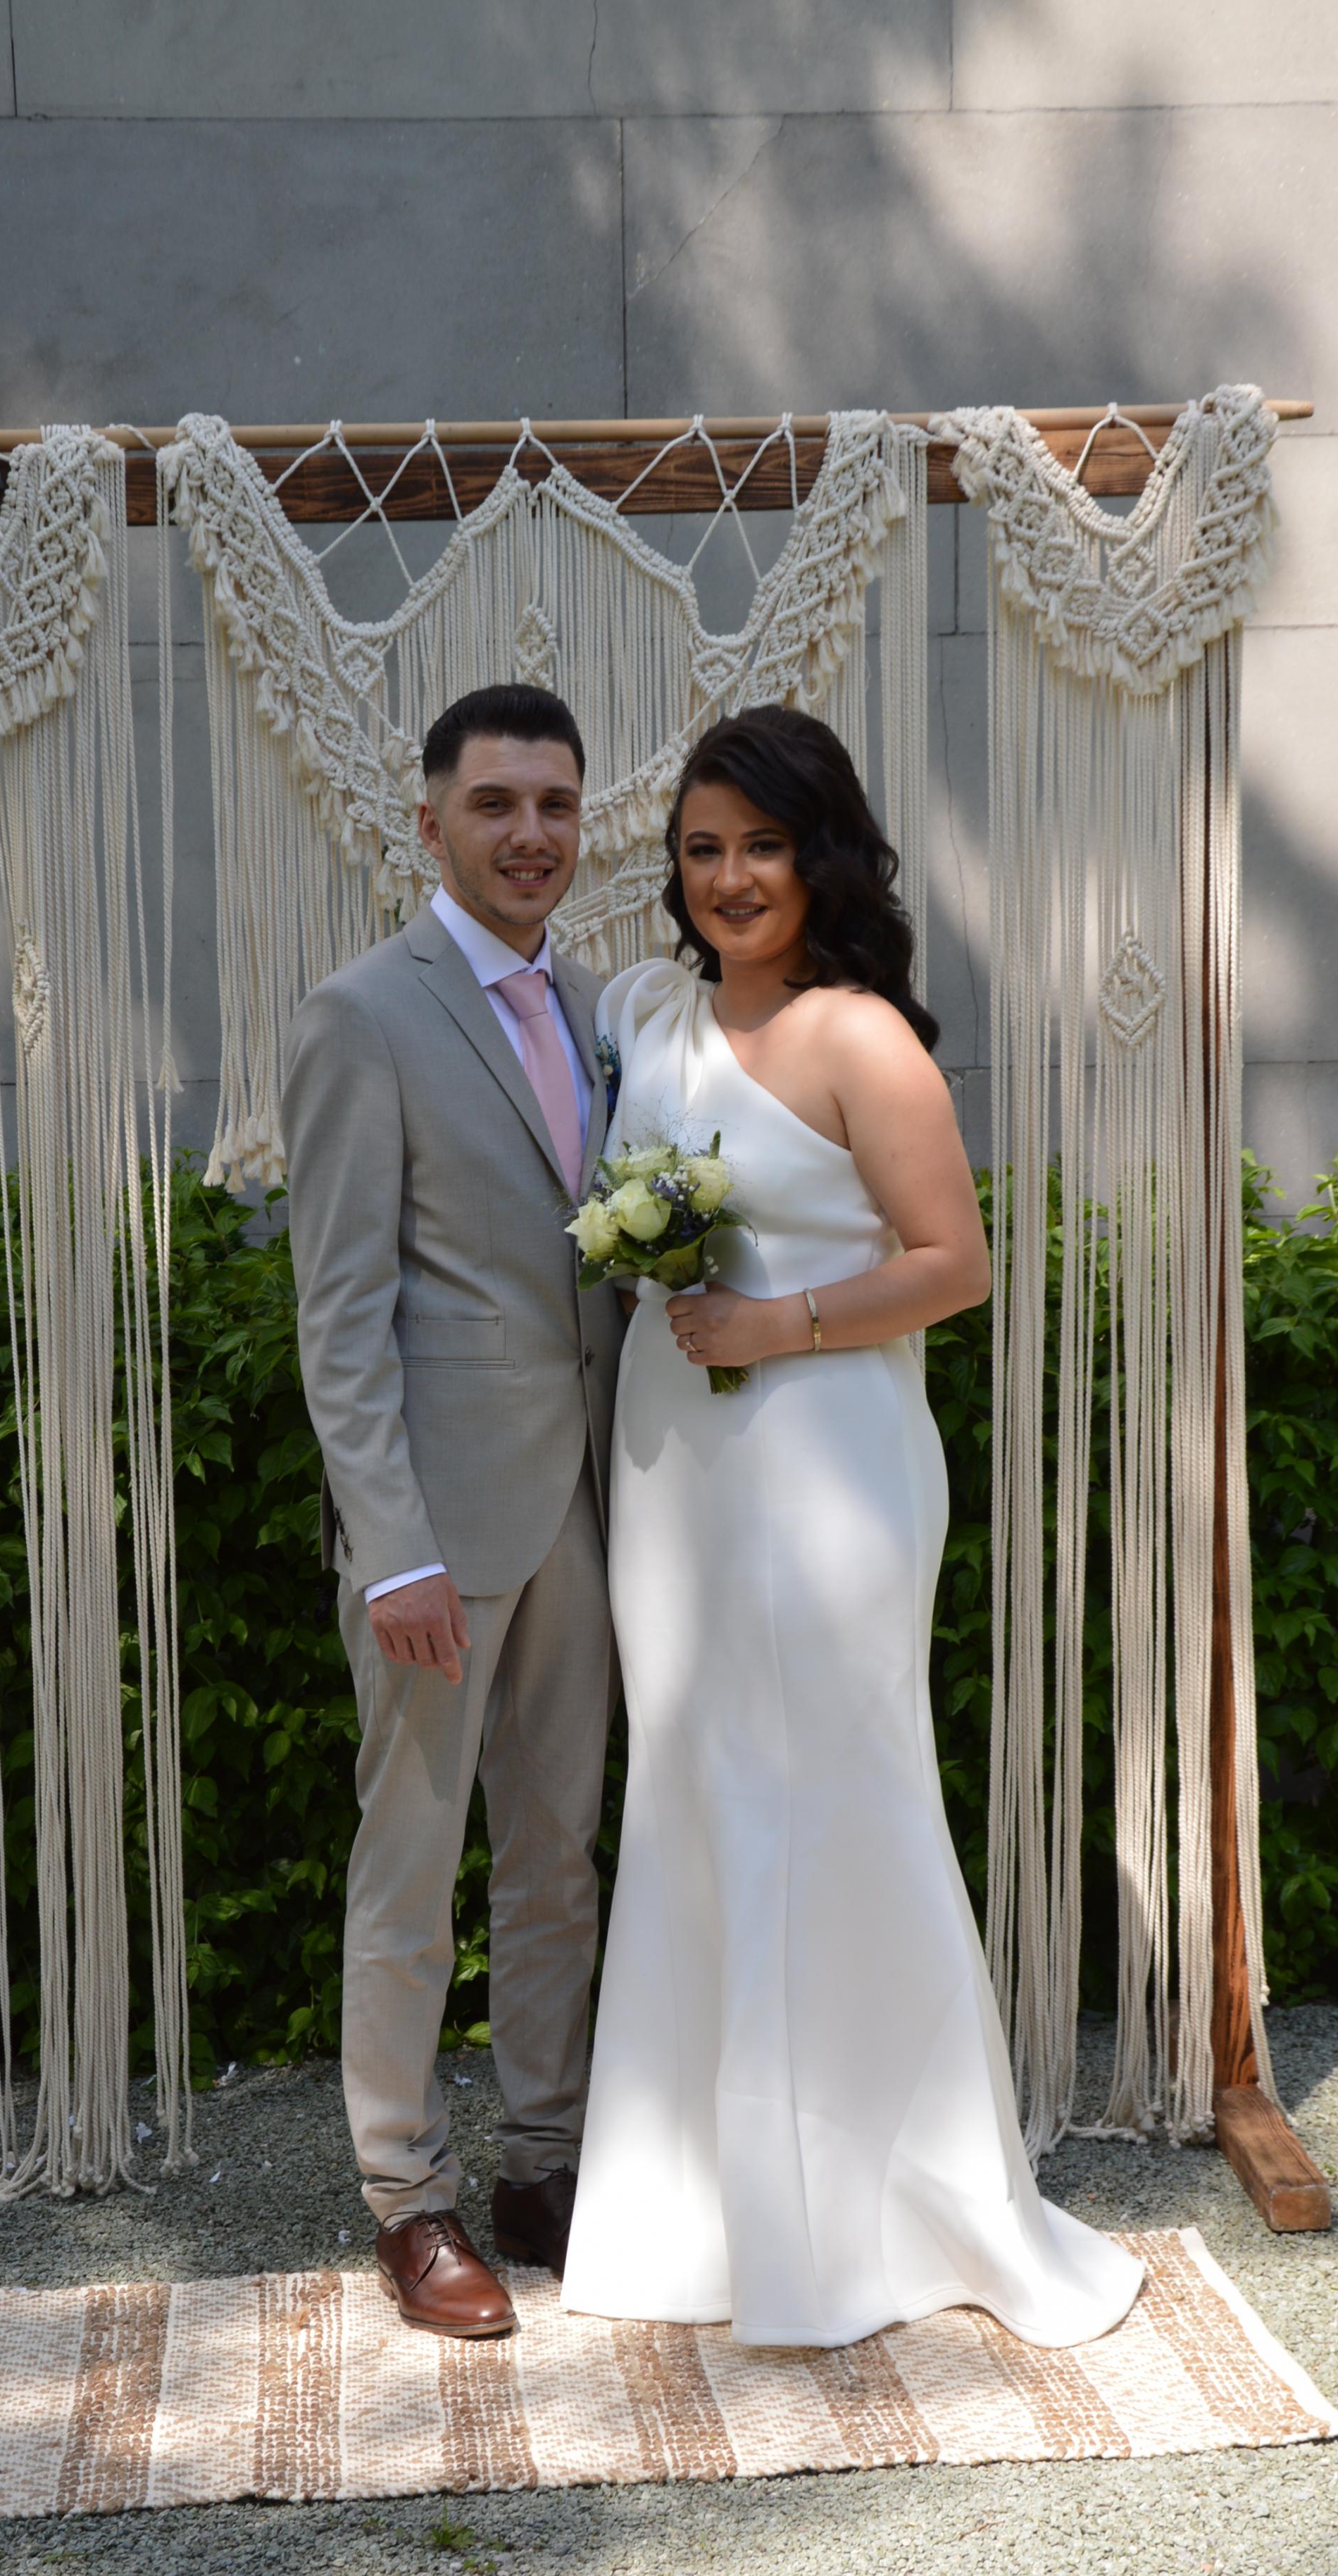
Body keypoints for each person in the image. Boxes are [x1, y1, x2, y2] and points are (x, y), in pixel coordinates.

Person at [560, 704, 1144, 2351]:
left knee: (835, 1796)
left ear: (820, 857)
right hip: (676, 1464)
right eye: (702, 848)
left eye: (762, 845)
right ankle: (703, 2221)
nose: (730, 877)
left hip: (827, 1463)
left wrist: (779, 1323)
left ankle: (887, 2210)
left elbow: (955, 1263)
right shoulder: (646, 1010)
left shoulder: (861, 1035)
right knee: (694, 1792)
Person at [281, 683, 625, 2338]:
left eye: (554, 804)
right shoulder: (364, 1016)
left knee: (559, 1855)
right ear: (430, 825)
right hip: (438, 1531)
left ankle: (546, 2162)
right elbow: (341, 1314)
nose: (529, 833)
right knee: (411, 1870)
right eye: (495, 804)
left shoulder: (603, 1010)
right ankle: (407, 2196)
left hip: (590, 1507)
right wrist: (391, 1544)